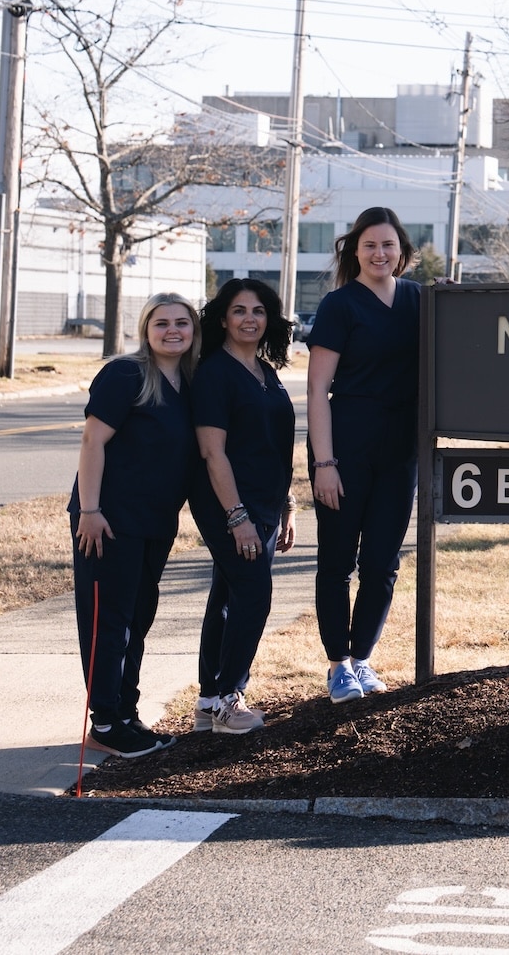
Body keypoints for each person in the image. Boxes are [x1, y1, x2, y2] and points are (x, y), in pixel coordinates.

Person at [69, 293, 201, 758]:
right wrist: (89, 510)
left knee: (138, 619)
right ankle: (104, 720)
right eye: (161, 322)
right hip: (106, 520)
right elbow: (92, 440)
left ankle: (125, 713)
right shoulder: (125, 374)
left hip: (155, 521)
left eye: (182, 323)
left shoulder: (190, 383)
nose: (172, 331)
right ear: (145, 329)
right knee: (109, 620)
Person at [305, 207, 422, 703]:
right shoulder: (340, 305)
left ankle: (363, 658)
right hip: (347, 447)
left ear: (402, 253)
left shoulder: (420, 300)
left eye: (388, 245)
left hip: (401, 451)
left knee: (382, 562)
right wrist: (323, 464)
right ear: (354, 250)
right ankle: (337, 665)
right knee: (336, 562)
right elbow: (316, 391)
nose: (380, 253)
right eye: (370, 245)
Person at [190, 276, 297, 734]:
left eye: (258, 311)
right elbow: (213, 453)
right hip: (230, 504)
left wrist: (288, 501)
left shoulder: (265, 371)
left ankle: (208, 701)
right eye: (239, 311)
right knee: (253, 596)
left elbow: (272, 444)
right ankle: (230, 702)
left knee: (228, 596)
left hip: (266, 504)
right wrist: (238, 519)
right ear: (222, 318)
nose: (250, 319)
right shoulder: (215, 373)